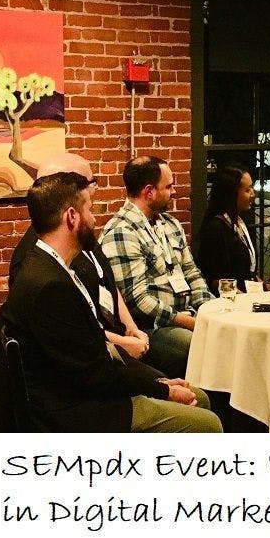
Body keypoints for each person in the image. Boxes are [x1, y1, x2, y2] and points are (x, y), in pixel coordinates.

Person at [1, 172, 221, 432]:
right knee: (208, 423)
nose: (94, 219)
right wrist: (162, 389)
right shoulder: (50, 285)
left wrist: (158, 382)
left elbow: (95, 357)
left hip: (88, 389)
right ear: (72, 216)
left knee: (198, 397)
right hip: (78, 413)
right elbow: (95, 374)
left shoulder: (52, 266)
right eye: (89, 209)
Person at [9, 152, 152, 364]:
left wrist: (131, 327)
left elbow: (108, 282)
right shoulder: (40, 260)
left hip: (111, 342)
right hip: (98, 354)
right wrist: (122, 345)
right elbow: (72, 339)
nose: (95, 188)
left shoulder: (79, 238)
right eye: (89, 182)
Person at [99, 155, 213, 379]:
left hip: (187, 316)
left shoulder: (170, 224)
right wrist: (191, 322)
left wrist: (208, 310)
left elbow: (192, 273)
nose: (174, 192)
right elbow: (138, 300)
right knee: (201, 344)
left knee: (224, 335)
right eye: (169, 186)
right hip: (151, 328)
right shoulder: (122, 232)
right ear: (149, 191)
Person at [195, 165, 258, 293]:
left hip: (247, 296)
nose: (253, 194)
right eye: (247, 190)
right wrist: (242, 297)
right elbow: (211, 279)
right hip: (229, 300)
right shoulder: (216, 228)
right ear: (232, 194)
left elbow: (247, 273)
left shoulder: (240, 222)